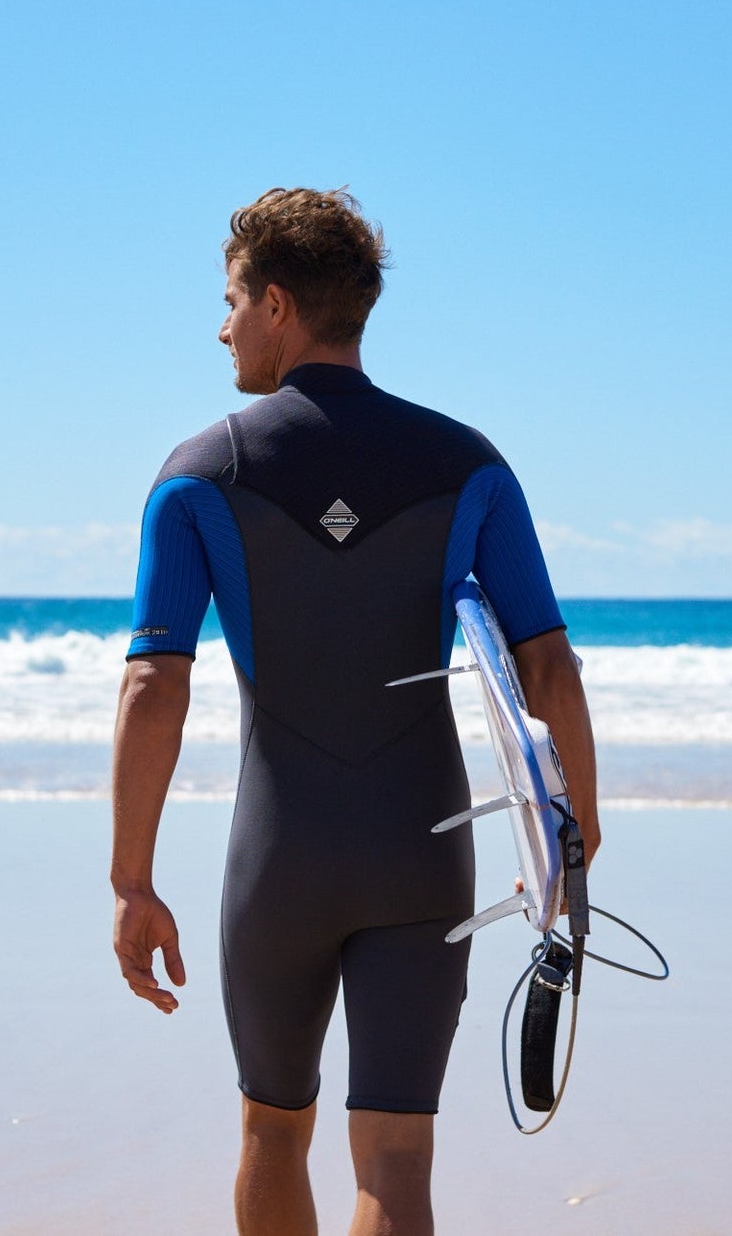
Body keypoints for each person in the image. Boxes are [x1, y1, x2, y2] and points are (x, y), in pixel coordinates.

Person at [109, 188, 600, 1235]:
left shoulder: (198, 476)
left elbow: (155, 682)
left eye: (232, 299)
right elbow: (549, 669)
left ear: (278, 303)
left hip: (280, 857)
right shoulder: (466, 464)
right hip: (422, 852)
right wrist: (573, 842)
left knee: (272, 1130)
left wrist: (133, 879)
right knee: (395, 1159)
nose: (223, 325)